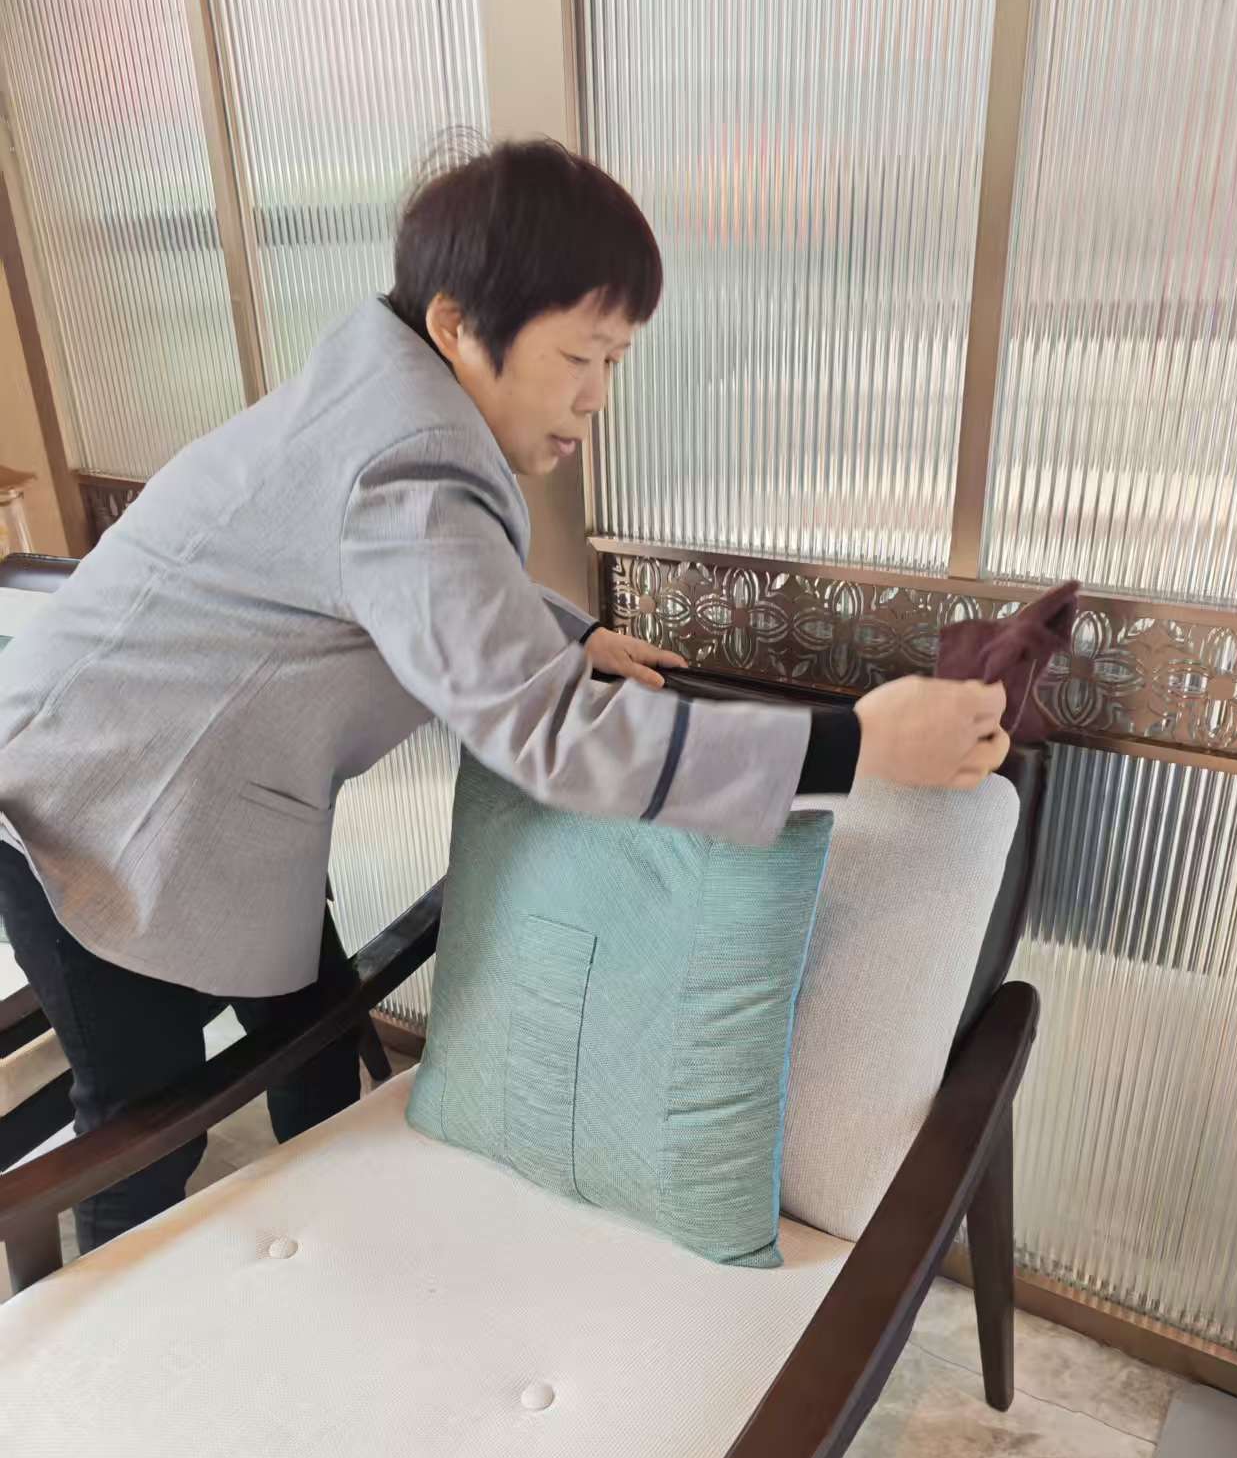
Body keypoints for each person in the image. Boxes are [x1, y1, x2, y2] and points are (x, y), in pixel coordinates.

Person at [0, 140, 1008, 1254]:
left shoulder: (379, 391)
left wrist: (566, 632)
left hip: (205, 796)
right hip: (95, 807)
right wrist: (856, 745)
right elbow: (550, 737)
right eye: (578, 354)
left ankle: (343, 1238)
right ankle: (78, 1336)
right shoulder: (409, 460)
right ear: (455, 325)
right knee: (142, 1130)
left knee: (315, 1041)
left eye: (614, 359)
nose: (595, 397)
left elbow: (404, 576)